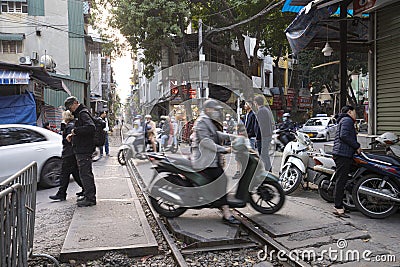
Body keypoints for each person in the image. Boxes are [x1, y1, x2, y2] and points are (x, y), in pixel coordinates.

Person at [191, 99, 242, 225]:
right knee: (222, 180)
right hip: (204, 160)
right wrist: (224, 149)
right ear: (208, 109)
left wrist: (233, 137)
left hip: (211, 158)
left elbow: (216, 134)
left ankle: (219, 202)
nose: (216, 112)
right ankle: (226, 213)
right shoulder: (202, 122)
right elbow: (206, 142)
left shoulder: (207, 120)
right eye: (215, 109)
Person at [64, 96, 97, 207]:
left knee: (85, 174)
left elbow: (90, 127)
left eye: (70, 106)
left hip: (84, 149)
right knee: (84, 173)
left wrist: (75, 131)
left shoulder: (83, 113)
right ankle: (88, 195)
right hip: (82, 148)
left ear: (75, 103)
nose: (70, 109)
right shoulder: (81, 113)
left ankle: (90, 199)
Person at [332, 105, 361, 218]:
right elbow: (344, 135)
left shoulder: (344, 120)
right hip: (342, 154)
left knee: (342, 179)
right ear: (350, 111)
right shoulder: (347, 120)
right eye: (354, 112)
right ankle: (338, 207)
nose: (355, 115)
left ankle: (340, 205)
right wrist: (356, 146)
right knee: (341, 180)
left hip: (342, 153)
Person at [49, 110, 84, 201]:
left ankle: (62, 193)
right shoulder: (72, 125)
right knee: (75, 173)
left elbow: (67, 140)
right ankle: (85, 188)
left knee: (64, 174)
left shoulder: (70, 126)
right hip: (71, 153)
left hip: (69, 153)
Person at [254, 95, 274, 172]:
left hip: (263, 137)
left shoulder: (261, 111)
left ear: (256, 103)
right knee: (264, 154)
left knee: (264, 155)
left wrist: (258, 137)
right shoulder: (266, 110)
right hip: (266, 135)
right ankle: (268, 169)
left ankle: (268, 170)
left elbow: (260, 126)